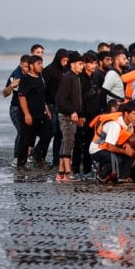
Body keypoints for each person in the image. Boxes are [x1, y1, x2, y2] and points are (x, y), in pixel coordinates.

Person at [89, 101, 135, 183]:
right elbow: (110, 147)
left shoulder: (128, 123)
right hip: (97, 149)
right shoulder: (115, 125)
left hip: (109, 148)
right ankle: (102, 176)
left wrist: (127, 146)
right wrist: (124, 151)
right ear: (126, 113)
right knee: (117, 159)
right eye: (134, 114)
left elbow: (120, 139)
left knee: (132, 152)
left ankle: (122, 177)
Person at [15, 55, 51, 170]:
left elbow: (41, 95)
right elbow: (21, 97)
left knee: (48, 134)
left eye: (41, 63)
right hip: (29, 115)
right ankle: (21, 164)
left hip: (41, 114)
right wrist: (27, 114)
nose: (41, 66)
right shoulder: (26, 78)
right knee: (25, 139)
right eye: (38, 64)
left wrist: (46, 108)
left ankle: (36, 155)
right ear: (31, 66)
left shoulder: (40, 77)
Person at [55, 53, 85, 183]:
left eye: (82, 63)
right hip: (66, 116)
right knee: (68, 142)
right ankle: (68, 172)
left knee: (67, 142)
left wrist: (80, 114)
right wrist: (72, 111)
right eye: (80, 64)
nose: (82, 66)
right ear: (72, 64)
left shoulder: (75, 77)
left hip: (72, 116)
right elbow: (60, 100)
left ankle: (61, 173)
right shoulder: (68, 77)